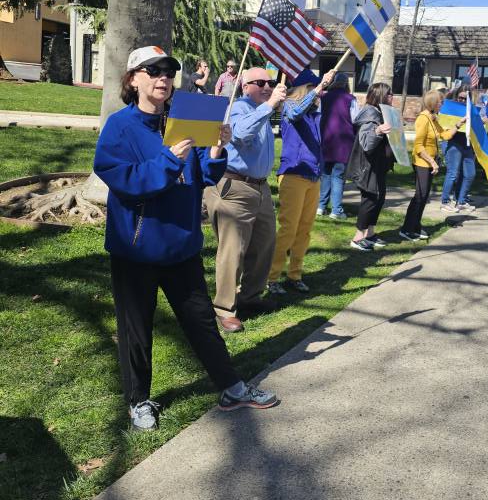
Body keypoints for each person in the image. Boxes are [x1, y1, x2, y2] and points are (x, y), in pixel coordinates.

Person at [93, 46, 277, 431]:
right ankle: (138, 399)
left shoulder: (184, 119)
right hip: (137, 250)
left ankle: (232, 386)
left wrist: (215, 152)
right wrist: (169, 160)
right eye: (153, 70)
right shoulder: (119, 126)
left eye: (169, 71)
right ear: (133, 79)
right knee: (137, 330)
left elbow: (204, 176)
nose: (163, 77)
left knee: (202, 324)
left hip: (182, 246)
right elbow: (125, 181)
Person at [204, 67, 288, 332]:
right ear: (244, 85)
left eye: (270, 82)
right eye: (260, 82)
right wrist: (271, 104)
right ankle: (224, 309)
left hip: (260, 189)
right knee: (233, 251)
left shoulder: (262, 109)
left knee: (264, 245)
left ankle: (250, 297)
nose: (267, 86)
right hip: (234, 187)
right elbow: (239, 134)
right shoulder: (238, 107)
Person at [268, 68, 335, 294]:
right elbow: (296, 112)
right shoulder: (289, 107)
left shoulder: (316, 113)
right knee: (288, 229)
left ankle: (295, 275)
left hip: (313, 176)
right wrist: (319, 86)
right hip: (294, 174)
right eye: (314, 89)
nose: (320, 94)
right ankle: (272, 277)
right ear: (304, 89)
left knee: (304, 230)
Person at [400, 90, 463, 240]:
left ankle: (415, 225)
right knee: (419, 196)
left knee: (423, 196)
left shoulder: (433, 118)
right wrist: (433, 162)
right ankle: (407, 229)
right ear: (433, 103)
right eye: (441, 102)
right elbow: (418, 146)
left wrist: (458, 125)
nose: (442, 104)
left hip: (429, 163)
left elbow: (445, 135)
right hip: (423, 163)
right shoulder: (423, 118)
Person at [347, 82, 395, 251]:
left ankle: (370, 233)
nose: (392, 97)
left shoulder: (379, 112)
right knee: (370, 198)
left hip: (378, 165)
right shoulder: (370, 114)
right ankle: (358, 237)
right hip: (368, 165)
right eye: (389, 94)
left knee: (379, 198)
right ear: (381, 96)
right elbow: (366, 143)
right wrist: (378, 132)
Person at [318, 70, 358, 220]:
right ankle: (336, 210)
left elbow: (318, 115)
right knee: (338, 176)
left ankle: (321, 207)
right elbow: (355, 120)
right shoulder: (350, 99)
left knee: (326, 174)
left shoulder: (323, 97)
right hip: (343, 142)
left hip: (326, 139)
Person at [440, 82, 476, 213]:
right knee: (453, 173)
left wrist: (480, 122)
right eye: (460, 97)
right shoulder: (450, 106)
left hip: (467, 143)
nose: (462, 100)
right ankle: (445, 201)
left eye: (465, 99)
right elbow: (444, 124)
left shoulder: (472, 109)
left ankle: (461, 201)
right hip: (454, 143)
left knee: (470, 174)